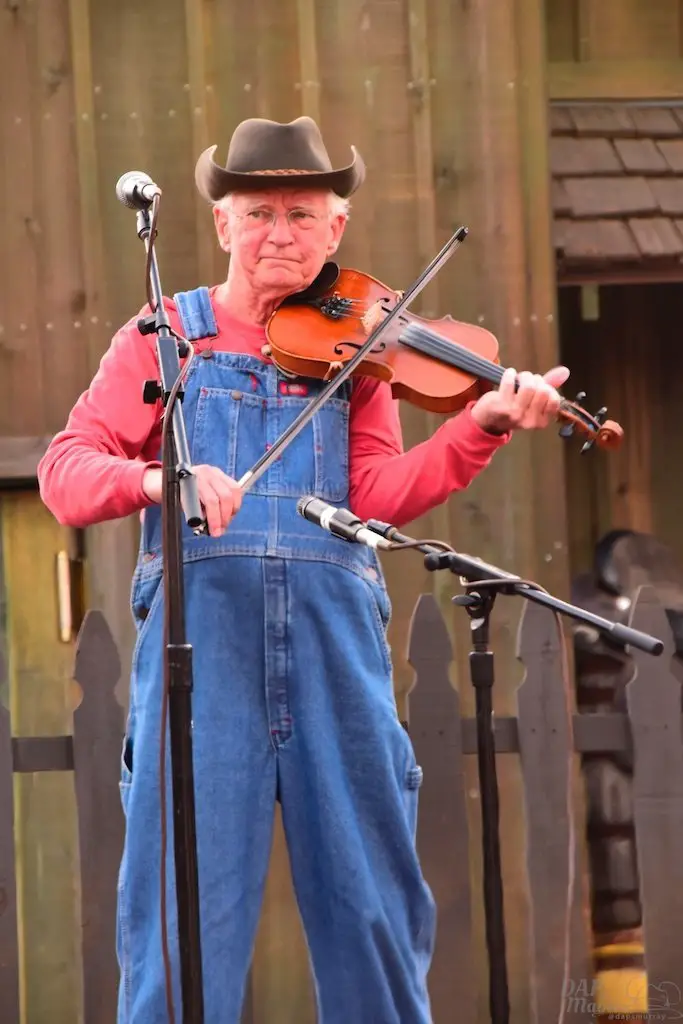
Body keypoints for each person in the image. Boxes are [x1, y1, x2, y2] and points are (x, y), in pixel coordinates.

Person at [38, 116, 569, 1023]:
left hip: (336, 657)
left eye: (301, 214)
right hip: (202, 669)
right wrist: (158, 477)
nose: (278, 234)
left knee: (371, 919)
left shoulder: (359, 350)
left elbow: (374, 494)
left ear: (336, 228)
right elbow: (64, 471)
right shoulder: (164, 338)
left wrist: (476, 427)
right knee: (181, 931)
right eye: (258, 213)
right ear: (222, 224)